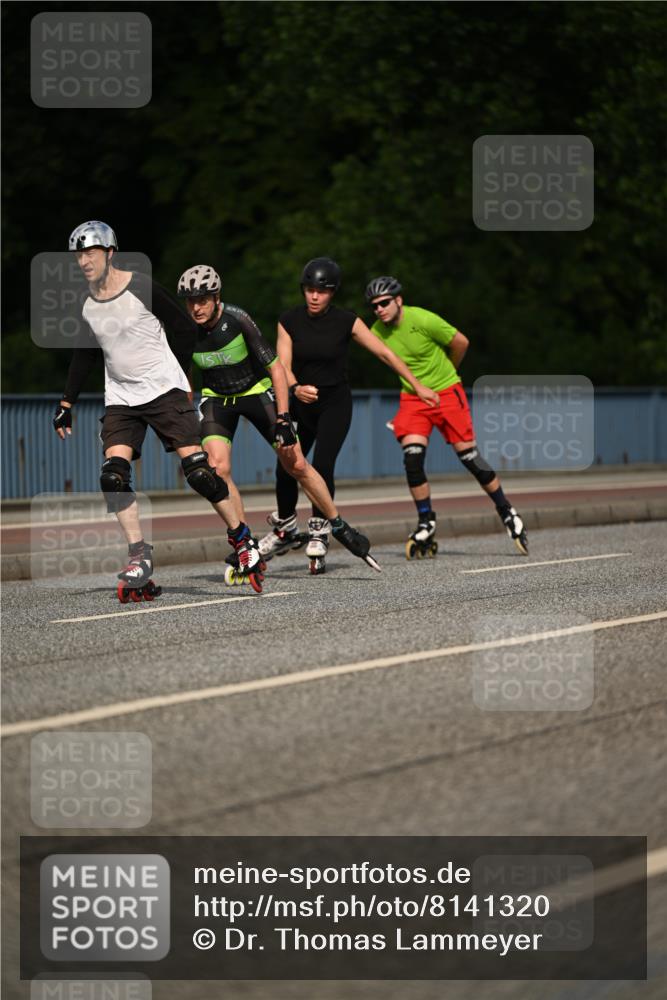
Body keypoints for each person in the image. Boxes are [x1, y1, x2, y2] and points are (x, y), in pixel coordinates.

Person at [52, 221, 264, 599]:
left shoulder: (141, 287)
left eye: (91, 253)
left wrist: (181, 376)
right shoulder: (85, 302)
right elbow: (85, 353)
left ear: (110, 253)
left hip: (164, 391)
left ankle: (242, 539)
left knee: (199, 473)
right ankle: (139, 557)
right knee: (112, 477)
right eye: (79, 255)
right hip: (121, 399)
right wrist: (67, 402)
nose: (84, 261)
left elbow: (183, 328)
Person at [176, 264, 379, 575]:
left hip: (256, 393)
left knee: (295, 463)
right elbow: (184, 378)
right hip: (217, 400)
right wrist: (186, 413)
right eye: (190, 301)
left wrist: (284, 417)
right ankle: (245, 545)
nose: (196, 307)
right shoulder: (185, 330)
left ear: (217, 298)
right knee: (217, 469)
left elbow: (276, 369)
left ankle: (338, 525)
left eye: (202, 299)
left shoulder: (238, 319)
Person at [260, 257, 439, 571]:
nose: (314, 296)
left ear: (333, 293)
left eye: (322, 291)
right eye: (309, 290)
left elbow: (384, 352)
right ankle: (285, 527)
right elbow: (282, 366)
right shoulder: (289, 320)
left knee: (323, 464)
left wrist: (418, 386)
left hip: (335, 404)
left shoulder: (347, 320)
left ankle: (319, 529)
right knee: (286, 463)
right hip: (302, 402)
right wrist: (296, 386)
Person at [365, 275, 528, 556]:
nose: (379, 309)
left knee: (470, 459)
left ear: (399, 300)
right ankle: (426, 521)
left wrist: (447, 374)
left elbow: (461, 342)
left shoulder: (424, 320)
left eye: (384, 303)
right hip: (414, 399)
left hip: (446, 393)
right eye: (374, 306)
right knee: (412, 459)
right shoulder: (376, 331)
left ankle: (507, 511)